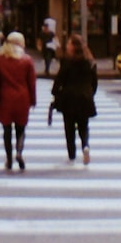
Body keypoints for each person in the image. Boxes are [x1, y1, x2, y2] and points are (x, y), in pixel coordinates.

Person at [0, 31, 36, 170]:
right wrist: (33, 100)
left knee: (6, 129)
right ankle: (19, 152)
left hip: (4, 98)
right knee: (21, 128)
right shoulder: (27, 60)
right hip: (22, 98)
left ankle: (8, 159)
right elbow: (31, 83)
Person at [52, 33, 98, 164]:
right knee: (84, 126)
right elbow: (94, 83)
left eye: (69, 43)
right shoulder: (90, 63)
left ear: (72, 46)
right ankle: (85, 146)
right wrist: (90, 94)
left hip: (69, 99)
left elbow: (59, 81)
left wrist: (55, 93)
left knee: (69, 128)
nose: (67, 45)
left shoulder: (67, 62)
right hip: (85, 99)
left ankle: (72, 154)